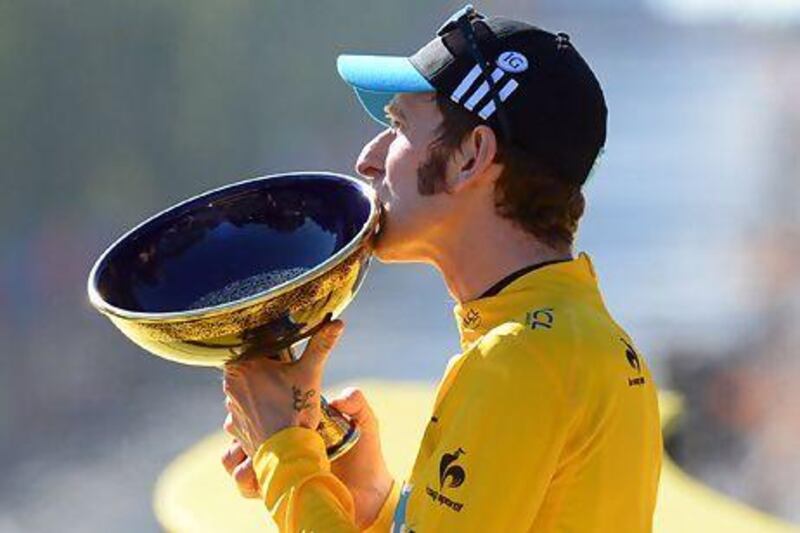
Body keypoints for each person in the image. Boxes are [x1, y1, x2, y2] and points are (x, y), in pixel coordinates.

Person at [220, 5, 662, 532]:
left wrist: (285, 457)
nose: (368, 158)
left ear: (471, 156)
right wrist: (373, 501)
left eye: (400, 126)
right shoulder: (583, 340)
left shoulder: (517, 361)